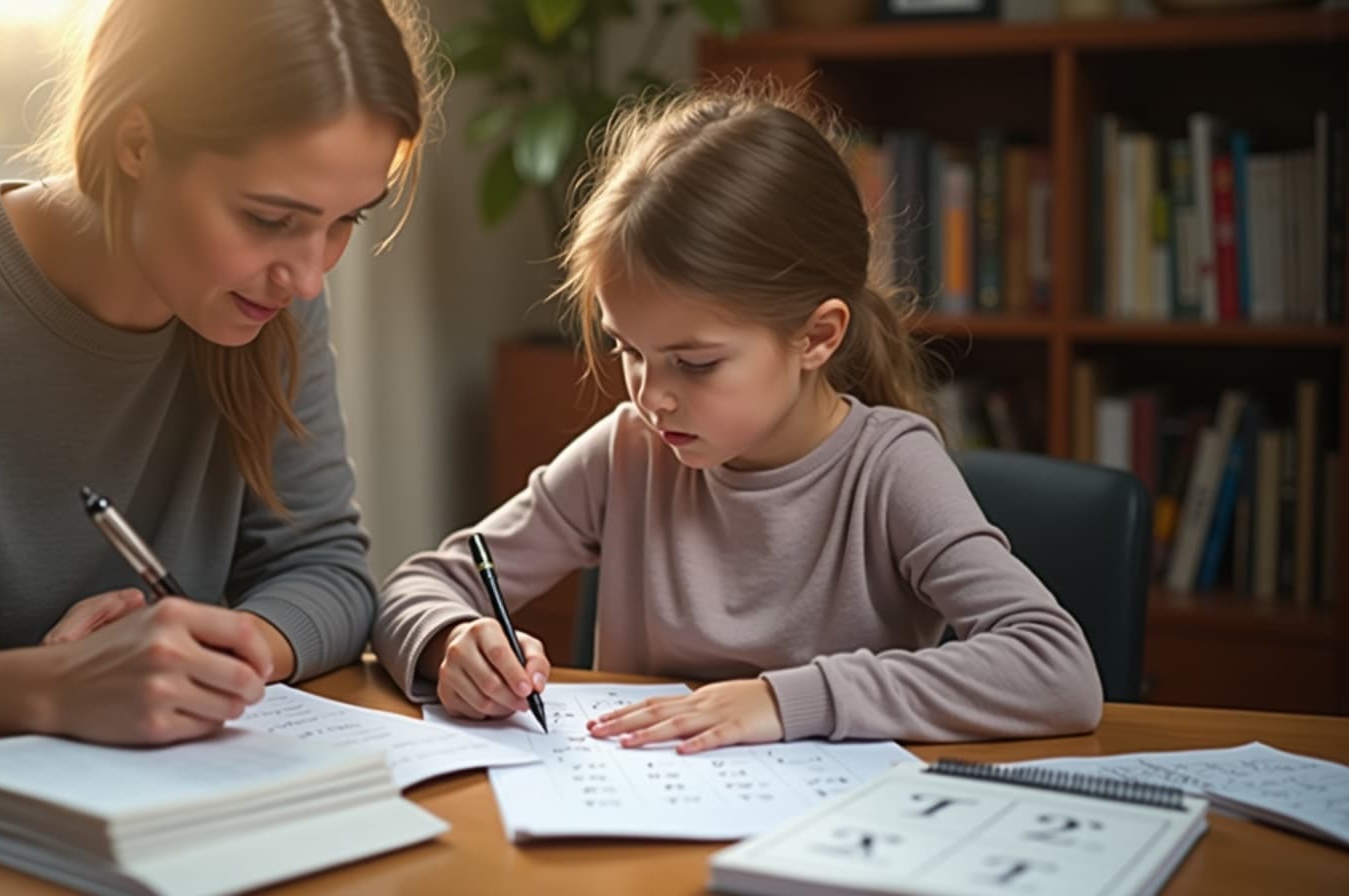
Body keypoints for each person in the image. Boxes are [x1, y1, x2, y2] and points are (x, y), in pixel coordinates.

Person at [0, 0, 439, 854]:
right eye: (270, 219)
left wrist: (220, 653)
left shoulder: (266, 312)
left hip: (149, 827)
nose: (306, 276)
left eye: (346, 222)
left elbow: (324, 568)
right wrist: (54, 689)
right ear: (137, 143)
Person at [373, 82, 1102, 755]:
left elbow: (1056, 669)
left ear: (817, 337)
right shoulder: (628, 451)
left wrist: (787, 701)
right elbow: (418, 586)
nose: (651, 396)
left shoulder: (891, 470)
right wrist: (451, 639)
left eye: (695, 363)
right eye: (629, 349)